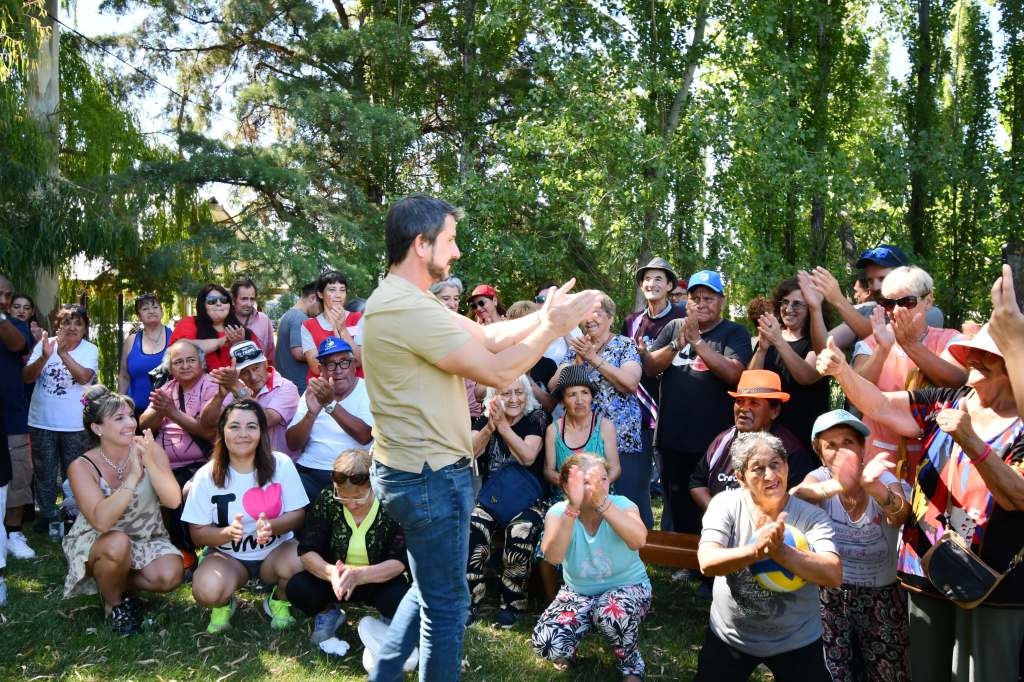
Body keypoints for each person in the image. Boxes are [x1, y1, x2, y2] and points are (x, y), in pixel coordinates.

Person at [361, 194, 597, 681]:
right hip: (427, 479)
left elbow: (487, 337)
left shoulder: (407, 301)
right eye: (449, 239)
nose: (457, 251)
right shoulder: (406, 309)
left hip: (418, 473)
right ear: (421, 244)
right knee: (447, 607)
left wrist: (546, 314)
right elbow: (496, 369)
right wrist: (553, 326)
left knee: (428, 587)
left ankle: (383, 674)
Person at [816, 310, 1024, 682]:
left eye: (986, 363)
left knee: (985, 674)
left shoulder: (1021, 425)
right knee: (927, 672)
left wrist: (972, 441)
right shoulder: (948, 399)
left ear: (1013, 368)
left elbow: (1016, 497)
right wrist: (841, 371)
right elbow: (880, 404)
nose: (971, 368)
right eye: (971, 358)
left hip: (995, 581)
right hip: (925, 564)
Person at [694, 432, 842, 682]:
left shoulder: (810, 516)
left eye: (776, 464)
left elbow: (833, 574)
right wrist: (756, 551)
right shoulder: (725, 505)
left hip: (797, 638)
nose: (771, 476)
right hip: (731, 635)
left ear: (786, 466)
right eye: (758, 469)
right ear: (740, 478)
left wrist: (780, 551)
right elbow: (707, 562)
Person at [789, 410, 911, 682]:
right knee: (834, 674)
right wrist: (837, 485)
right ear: (820, 454)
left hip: (883, 597)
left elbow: (901, 514)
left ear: (862, 448)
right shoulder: (817, 479)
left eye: (848, 442)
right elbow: (794, 498)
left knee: (889, 675)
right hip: (830, 597)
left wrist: (872, 487)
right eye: (830, 445)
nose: (840, 451)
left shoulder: (883, 479)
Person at [63, 386, 184, 635]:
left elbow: (173, 501)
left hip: (146, 537)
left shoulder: (149, 449)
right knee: (117, 543)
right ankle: (115, 605)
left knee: (171, 575)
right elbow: (102, 522)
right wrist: (131, 479)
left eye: (130, 415)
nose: (131, 423)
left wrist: (149, 461)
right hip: (99, 541)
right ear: (97, 428)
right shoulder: (82, 466)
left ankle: (110, 580)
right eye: (119, 418)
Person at [182, 400, 308, 633]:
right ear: (222, 431)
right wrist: (226, 533)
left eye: (251, 426)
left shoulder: (281, 464)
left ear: (262, 432)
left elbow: (298, 515)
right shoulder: (206, 475)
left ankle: (278, 600)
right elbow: (197, 534)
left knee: (302, 563)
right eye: (234, 427)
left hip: (275, 551)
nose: (243, 434)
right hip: (228, 557)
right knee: (207, 590)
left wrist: (273, 526)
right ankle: (223, 601)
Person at [644, 271, 752, 535]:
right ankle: (686, 563)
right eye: (695, 298)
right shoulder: (674, 327)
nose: (701, 303)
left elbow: (734, 373)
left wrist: (697, 342)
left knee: (713, 501)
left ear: (722, 301)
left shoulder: (734, 332)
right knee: (677, 500)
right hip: (672, 435)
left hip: (713, 440)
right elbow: (649, 368)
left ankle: (714, 557)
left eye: (708, 298)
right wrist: (676, 344)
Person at [532, 454, 651, 681]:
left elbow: (638, 540)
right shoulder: (557, 512)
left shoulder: (623, 505)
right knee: (547, 642)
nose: (598, 487)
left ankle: (631, 665)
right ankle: (573, 644)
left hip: (629, 587)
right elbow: (553, 557)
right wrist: (573, 509)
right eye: (587, 481)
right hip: (578, 593)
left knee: (610, 613)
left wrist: (602, 503)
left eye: (603, 479)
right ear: (567, 486)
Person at [284, 449, 411, 657]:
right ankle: (328, 614)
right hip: (336, 581)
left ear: (373, 485)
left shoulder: (391, 504)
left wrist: (360, 575)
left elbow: (398, 561)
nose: (351, 504)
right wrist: (332, 573)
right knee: (299, 588)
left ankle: (386, 623)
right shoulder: (327, 499)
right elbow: (307, 550)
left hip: (377, 580)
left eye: (359, 497)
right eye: (342, 496)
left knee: (401, 597)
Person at [551, 292, 650, 526]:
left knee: (625, 505)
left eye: (595, 312)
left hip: (621, 440)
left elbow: (630, 383)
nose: (589, 319)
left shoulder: (624, 345)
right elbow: (554, 388)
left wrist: (593, 359)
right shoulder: (577, 349)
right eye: (584, 314)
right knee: (590, 507)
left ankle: (636, 551)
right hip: (585, 444)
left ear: (610, 317)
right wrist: (578, 359)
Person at [849, 266, 965, 465]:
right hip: (881, 461)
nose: (895, 311)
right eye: (888, 303)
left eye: (907, 302)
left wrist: (910, 345)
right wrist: (882, 351)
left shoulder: (951, 340)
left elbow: (957, 381)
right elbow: (855, 395)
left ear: (928, 301)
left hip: (936, 460)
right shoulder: (871, 342)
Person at [466, 375, 549, 628]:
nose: (514, 399)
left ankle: (512, 602)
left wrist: (502, 427)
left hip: (528, 499)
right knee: (474, 523)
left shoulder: (537, 418)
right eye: (506, 393)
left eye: (519, 392)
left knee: (520, 529)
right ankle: (470, 599)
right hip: (494, 498)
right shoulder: (485, 419)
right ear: (495, 398)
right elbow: (471, 451)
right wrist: (490, 427)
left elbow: (527, 456)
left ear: (527, 395)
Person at [689, 370, 816, 512]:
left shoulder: (791, 450)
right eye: (739, 401)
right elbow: (697, 482)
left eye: (754, 403)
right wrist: (718, 515)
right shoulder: (721, 441)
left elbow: (799, 500)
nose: (743, 409)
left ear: (775, 411)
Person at [139, 340, 218, 563]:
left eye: (191, 360)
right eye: (178, 362)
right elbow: (144, 424)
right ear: (170, 368)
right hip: (165, 463)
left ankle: (190, 550)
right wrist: (159, 411)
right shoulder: (166, 388)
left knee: (182, 489)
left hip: (201, 461)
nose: (184, 366)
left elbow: (205, 430)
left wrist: (171, 411)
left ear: (202, 363)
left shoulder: (210, 385)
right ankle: (163, 546)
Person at [23, 303, 99, 532]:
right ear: (58, 326)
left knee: (75, 471)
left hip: (75, 424)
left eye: (79, 323)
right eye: (67, 322)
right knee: (44, 470)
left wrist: (63, 354)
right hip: (42, 420)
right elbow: (27, 377)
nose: (73, 327)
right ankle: (47, 514)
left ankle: (74, 514)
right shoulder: (45, 346)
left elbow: (85, 377)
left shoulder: (89, 349)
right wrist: (45, 356)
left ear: (85, 329)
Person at [622, 257, 686, 527]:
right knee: (635, 480)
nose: (652, 283)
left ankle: (673, 542)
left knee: (673, 482)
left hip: (674, 407)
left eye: (659, 278)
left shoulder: (682, 318)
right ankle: (640, 535)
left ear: (670, 285)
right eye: (647, 279)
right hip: (638, 411)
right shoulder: (632, 322)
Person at [805, 245, 944, 352]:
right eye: (870, 280)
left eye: (882, 278)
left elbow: (881, 336)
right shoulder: (866, 311)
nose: (876, 286)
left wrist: (838, 299)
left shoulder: (927, 310)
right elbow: (823, 348)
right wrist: (815, 308)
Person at [286, 336, 373, 501]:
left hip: (352, 474)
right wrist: (311, 414)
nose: (338, 370)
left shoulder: (367, 390)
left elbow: (365, 435)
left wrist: (330, 404)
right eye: (330, 364)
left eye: (344, 363)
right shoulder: (313, 392)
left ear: (354, 365)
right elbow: (292, 443)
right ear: (321, 369)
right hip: (309, 470)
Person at [749, 276, 830, 452]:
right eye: (785, 302)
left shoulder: (818, 342)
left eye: (797, 304)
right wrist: (762, 350)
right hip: (767, 436)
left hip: (805, 436)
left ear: (811, 308)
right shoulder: (769, 336)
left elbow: (806, 376)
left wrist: (778, 341)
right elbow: (750, 384)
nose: (788, 309)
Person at [200, 341, 300, 459]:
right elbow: (207, 424)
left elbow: (266, 420)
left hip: (278, 464)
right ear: (238, 375)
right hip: (245, 463)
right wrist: (219, 396)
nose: (253, 376)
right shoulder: (237, 386)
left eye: (256, 368)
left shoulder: (286, 387)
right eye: (244, 372)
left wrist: (238, 389)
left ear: (265, 363)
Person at [543, 365, 621, 491]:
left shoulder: (605, 426)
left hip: (600, 496)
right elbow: (548, 471)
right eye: (572, 395)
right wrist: (572, 486)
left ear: (591, 397)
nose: (580, 400)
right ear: (562, 401)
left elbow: (615, 468)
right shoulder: (553, 430)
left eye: (585, 393)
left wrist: (598, 486)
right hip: (565, 500)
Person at [0, 276, 34, 558]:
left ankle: (13, 532)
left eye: (7, 295)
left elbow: (16, 345)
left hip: (11, 415)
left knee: (18, 475)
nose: (4, 299)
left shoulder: (15, 325)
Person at [169, 284, 258, 371]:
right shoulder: (189, 323)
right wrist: (220, 342)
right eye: (212, 301)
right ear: (202, 305)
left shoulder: (244, 332)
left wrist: (240, 346)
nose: (219, 303)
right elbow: (176, 351)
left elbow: (257, 369)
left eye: (223, 300)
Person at [430, 277, 484, 417]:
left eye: (456, 298)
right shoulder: (427, 331)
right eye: (446, 298)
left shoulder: (464, 327)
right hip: (442, 413)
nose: (453, 304)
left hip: (472, 411)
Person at [301, 270, 363, 380]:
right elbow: (316, 367)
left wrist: (342, 329)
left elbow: (359, 360)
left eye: (342, 290)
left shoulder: (358, 318)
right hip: (324, 390)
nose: (338, 295)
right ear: (320, 294)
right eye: (332, 290)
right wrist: (346, 360)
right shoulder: (308, 326)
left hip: (355, 389)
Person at [118, 292, 172, 418]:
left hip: (167, 412)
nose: (151, 311)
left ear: (162, 311)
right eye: (145, 308)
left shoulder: (174, 338)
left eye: (155, 307)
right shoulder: (131, 340)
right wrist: (120, 403)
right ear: (138, 316)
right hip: (134, 411)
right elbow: (124, 375)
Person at [275, 282, 320, 392]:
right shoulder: (299, 317)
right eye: (321, 305)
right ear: (313, 298)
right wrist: (322, 354)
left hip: (288, 381)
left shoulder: (288, 315)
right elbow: (298, 352)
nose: (320, 311)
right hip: (298, 383)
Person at [231, 278, 276, 363]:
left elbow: (271, 352)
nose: (249, 304)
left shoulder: (264, 320)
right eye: (244, 299)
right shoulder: (224, 321)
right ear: (233, 300)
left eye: (252, 299)